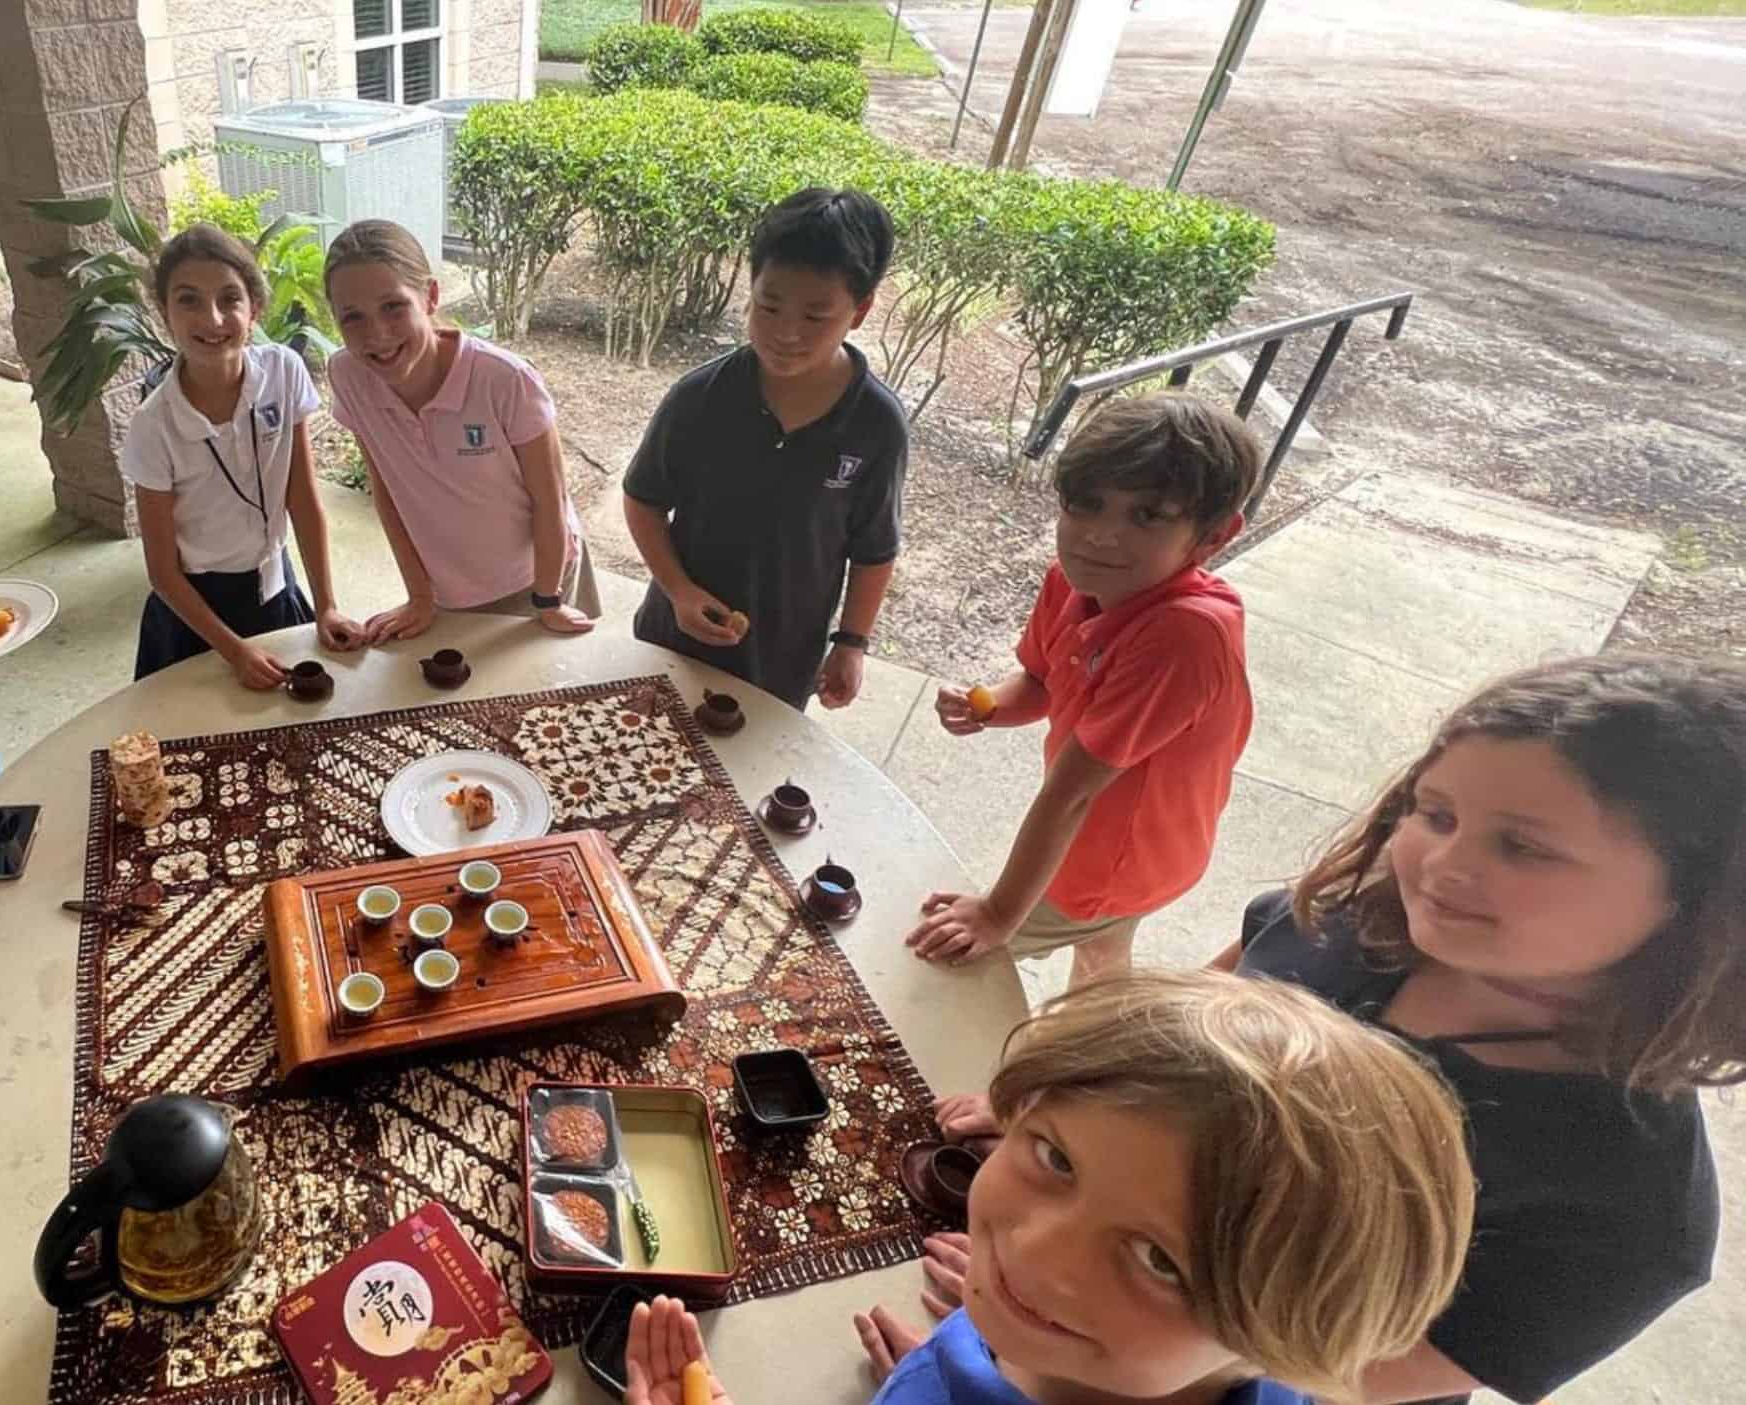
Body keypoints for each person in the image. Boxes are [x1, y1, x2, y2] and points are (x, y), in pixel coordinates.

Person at [926, 655, 1738, 1405]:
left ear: (1697, 905)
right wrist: (1075, 1121)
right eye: (1437, 812)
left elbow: (1336, 1372)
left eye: (1522, 846)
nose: (1443, 864)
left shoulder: (1631, 1212)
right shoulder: (1345, 918)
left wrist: (1020, 1360)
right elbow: (1183, 1036)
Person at [624, 972, 1475, 1405]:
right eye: (1058, 1160)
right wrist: (958, 1362)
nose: (1034, 1252)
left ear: (1289, 1337)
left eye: (1159, 1259)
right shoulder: (1118, 1351)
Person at [910, 394, 1259, 990]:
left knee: (940, 965)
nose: (1099, 537)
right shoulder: (1071, 582)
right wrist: (988, 705)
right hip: (1148, 849)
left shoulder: (1184, 634)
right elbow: (1044, 682)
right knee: (1101, 962)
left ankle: (1062, 1067)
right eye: (1085, 505)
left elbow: (1069, 795)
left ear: (1214, 537)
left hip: (1114, 861)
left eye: (1146, 516)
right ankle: (1094, 1036)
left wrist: (996, 914)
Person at [622, 187, 906, 712]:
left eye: (816, 316)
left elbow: (874, 549)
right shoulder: (700, 398)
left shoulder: (876, 425)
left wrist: (851, 643)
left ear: (860, 310)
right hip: (673, 639)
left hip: (781, 660)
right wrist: (678, 591)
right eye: (768, 306)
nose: (785, 333)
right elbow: (643, 499)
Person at [323, 218, 599, 640]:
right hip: (448, 592)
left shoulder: (505, 380)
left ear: (430, 296)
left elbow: (550, 500)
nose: (376, 334)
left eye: (393, 307)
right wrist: (419, 595)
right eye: (352, 317)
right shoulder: (347, 375)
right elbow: (386, 489)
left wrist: (548, 600)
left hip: (540, 581)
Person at [124, 223, 364, 684]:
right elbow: (162, 572)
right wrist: (235, 653)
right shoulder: (153, 425)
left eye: (229, 299)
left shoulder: (283, 372)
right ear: (164, 311)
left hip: (276, 584)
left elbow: (304, 501)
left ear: (254, 308)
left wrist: (327, 605)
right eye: (188, 299)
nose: (212, 320)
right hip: (194, 614)